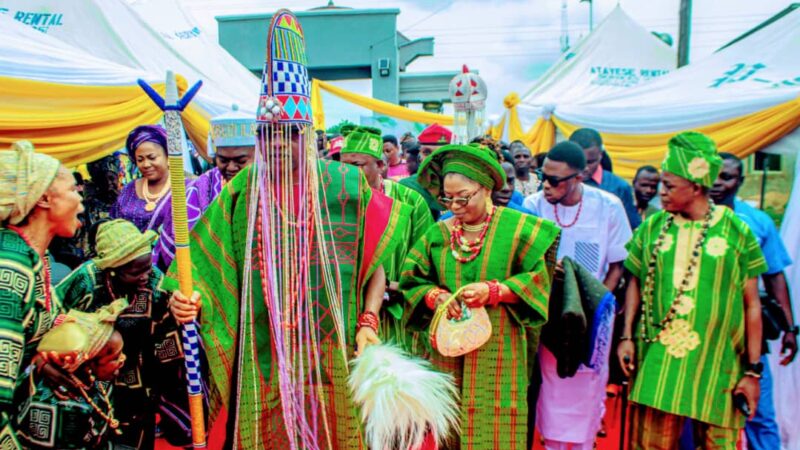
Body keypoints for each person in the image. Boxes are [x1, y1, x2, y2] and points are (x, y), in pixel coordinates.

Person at [166, 10, 408, 448]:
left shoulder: (347, 185)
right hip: (261, 352)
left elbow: (375, 265)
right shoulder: (242, 190)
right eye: (269, 133)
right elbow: (202, 268)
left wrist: (369, 321)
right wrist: (186, 299)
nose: (277, 143)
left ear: (308, 133)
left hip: (333, 349)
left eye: (289, 133)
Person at [400, 143, 560, 449]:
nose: (455, 206)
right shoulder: (439, 233)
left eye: (463, 198)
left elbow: (539, 281)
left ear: (486, 189)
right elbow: (411, 279)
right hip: (448, 348)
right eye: (448, 198)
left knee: (499, 422)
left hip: (501, 345)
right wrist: (436, 297)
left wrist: (495, 291)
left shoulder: (519, 229)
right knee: (450, 424)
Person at [617, 132, 766, 449]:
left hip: (719, 365)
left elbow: (752, 304)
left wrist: (753, 372)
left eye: (670, 186)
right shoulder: (654, 226)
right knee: (649, 444)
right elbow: (634, 282)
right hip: (658, 359)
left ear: (696, 187)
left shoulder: (736, 232)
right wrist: (626, 336)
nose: (661, 192)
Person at [0, 141, 120, 446]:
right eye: (73, 192)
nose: (81, 203)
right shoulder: (11, 269)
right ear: (43, 198)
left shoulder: (30, 258)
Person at [523, 142, 632, 449]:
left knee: (587, 389)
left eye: (555, 180)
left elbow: (617, 265)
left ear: (579, 177)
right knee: (554, 389)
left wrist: (594, 305)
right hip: (550, 317)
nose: (546, 185)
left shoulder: (608, 206)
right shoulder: (533, 206)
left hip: (594, 316)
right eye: (542, 175)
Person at [57, 219, 201, 449]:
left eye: (147, 267)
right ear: (112, 270)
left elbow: (171, 307)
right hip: (89, 374)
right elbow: (52, 318)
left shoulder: (152, 279)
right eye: (136, 272)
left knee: (137, 430)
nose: (146, 276)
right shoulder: (85, 281)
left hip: (139, 375)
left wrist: (181, 305)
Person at [710, 152, 797, 450]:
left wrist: (789, 327)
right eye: (713, 175)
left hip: (748, 335)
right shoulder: (683, 220)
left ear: (741, 182)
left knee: (759, 414)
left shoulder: (757, 222)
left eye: (727, 177)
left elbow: (775, 278)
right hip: (702, 334)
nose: (717, 183)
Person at [339, 125, 431, 345]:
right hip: (349, 314)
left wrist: (402, 285)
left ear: (380, 165)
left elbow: (428, 259)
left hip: (401, 314)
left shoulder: (410, 201)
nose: (347, 173)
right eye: (342, 166)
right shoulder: (335, 203)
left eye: (356, 165)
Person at [153, 108, 256, 271]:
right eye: (222, 160)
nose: (231, 167)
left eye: (240, 160)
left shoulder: (270, 187)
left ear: (258, 155)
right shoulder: (199, 190)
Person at [569, 128, 641, 229]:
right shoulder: (555, 183)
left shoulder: (618, 187)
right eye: (578, 161)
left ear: (601, 155)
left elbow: (631, 228)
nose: (585, 168)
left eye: (590, 162)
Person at [111, 125, 176, 233]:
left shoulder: (187, 188)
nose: (146, 164)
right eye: (140, 160)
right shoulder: (129, 190)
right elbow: (116, 226)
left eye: (152, 158)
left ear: (168, 157)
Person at [399, 124, 452, 220]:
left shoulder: (459, 185)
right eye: (426, 153)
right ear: (419, 157)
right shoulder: (407, 187)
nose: (430, 159)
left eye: (439, 153)